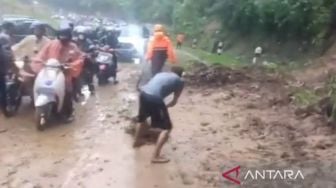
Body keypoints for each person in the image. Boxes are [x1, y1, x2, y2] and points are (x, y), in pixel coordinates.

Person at [134, 66, 185, 164]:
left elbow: (149, 86)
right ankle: (155, 156)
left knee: (142, 120)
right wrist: (164, 107)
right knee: (167, 128)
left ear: (171, 71)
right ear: (180, 74)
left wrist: (159, 108)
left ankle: (136, 142)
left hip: (143, 94)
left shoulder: (160, 74)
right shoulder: (180, 81)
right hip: (155, 98)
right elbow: (174, 101)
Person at [31, 27, 84, 122]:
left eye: (65, 37)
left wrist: (70, 65)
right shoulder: (51, 44)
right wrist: (40, 61)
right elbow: (41, 55)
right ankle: (35, 103)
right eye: (61, 37)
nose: (63, 40)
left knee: (67, 91)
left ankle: (69, 113)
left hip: (64, 73)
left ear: (69, 37)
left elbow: (79, 59)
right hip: (49, 71)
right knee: (37, 83)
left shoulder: (73, 47)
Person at [0, 21, 16, 117]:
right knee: (3, 90)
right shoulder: (5, 37)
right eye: (13, 28)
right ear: (9, 28)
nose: (14, 30)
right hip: (1, 67)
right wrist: (10, 65)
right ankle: (5, 111)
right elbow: (6, 54)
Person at [74, 29, 96, 95]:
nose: (81, 36)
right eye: (80, 34)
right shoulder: (74, 42)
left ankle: (91, 89)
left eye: (82, 34)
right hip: (76, 61)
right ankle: (77, 90)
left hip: (86, 61)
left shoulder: (89, 42)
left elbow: (93, 51)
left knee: (89, 75)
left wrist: (89, 54)